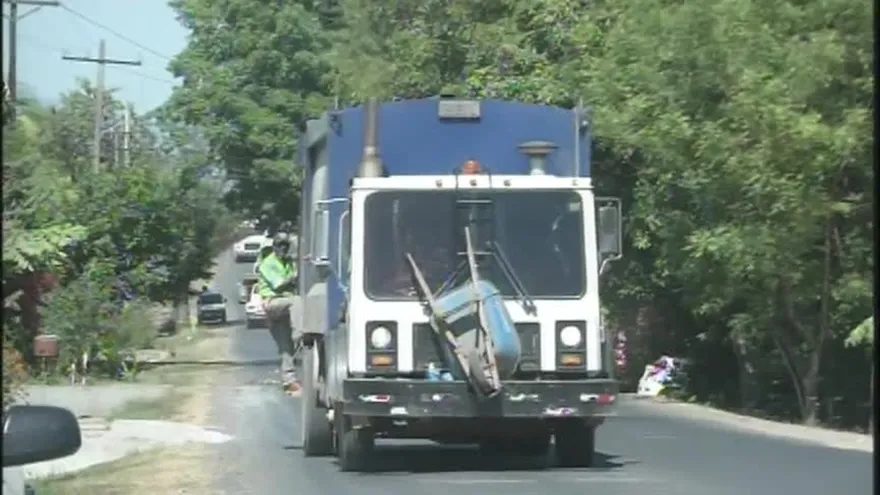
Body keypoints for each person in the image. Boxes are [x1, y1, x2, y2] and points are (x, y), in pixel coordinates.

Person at [257, 233, 300, 393]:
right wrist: (294, 277)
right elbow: (279, 284)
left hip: (285, 306)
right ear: (274, 246)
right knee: (296, 301)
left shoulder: (288, 262)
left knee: (285, 347)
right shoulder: (267, 263)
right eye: (280, 245)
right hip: (273, 303)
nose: (283, 248)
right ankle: (299, 333)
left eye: (285, 245)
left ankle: (289, 381)